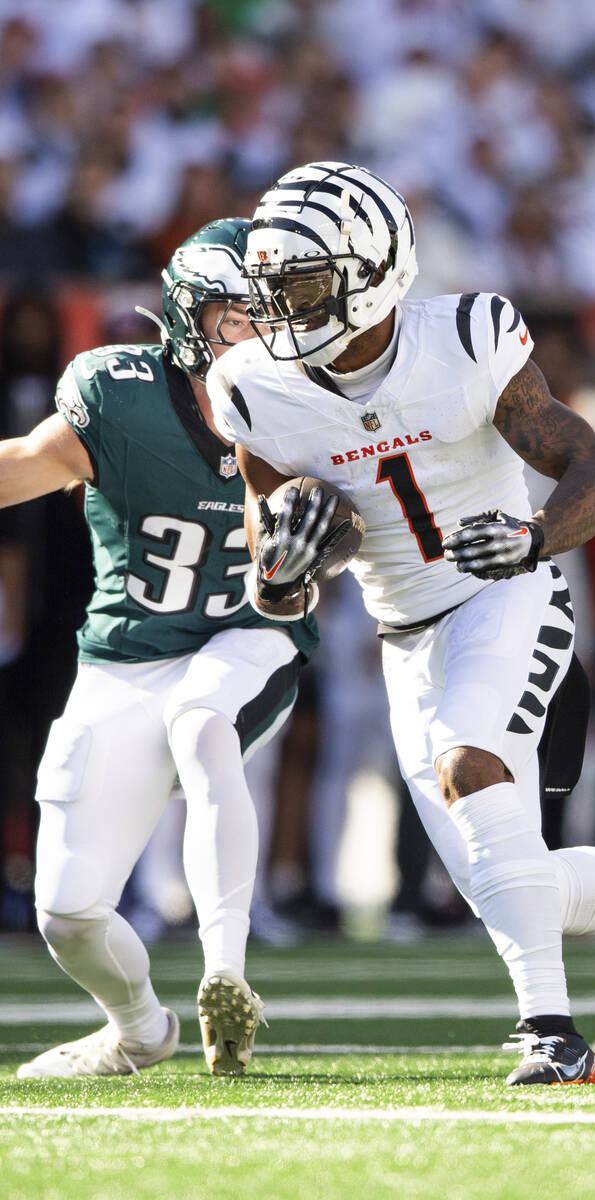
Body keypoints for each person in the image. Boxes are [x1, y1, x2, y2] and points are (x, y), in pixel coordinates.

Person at [207, 161, 595, 1088]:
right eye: (271, 287)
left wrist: (533, 538)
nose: (279, 307)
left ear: (373, 270)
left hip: (506, 591)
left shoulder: (468, 336)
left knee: (468, 760)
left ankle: (553, 1034)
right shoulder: (253, 387)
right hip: (403, 635)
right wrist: (285, 569)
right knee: (509, 886)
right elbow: (272, 577)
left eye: (301, 284)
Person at [2, 219, 318, 1079]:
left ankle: (227, 976)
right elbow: (26, 463)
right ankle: (140, 1027)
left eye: (272, 313)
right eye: (236, 315)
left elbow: (357, 528)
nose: (260, 333)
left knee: (201, 722)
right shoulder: (122, 397)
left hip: (249, 633)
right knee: (66, 912)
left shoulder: (313, 399)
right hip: (128, 652)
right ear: (186, 318)